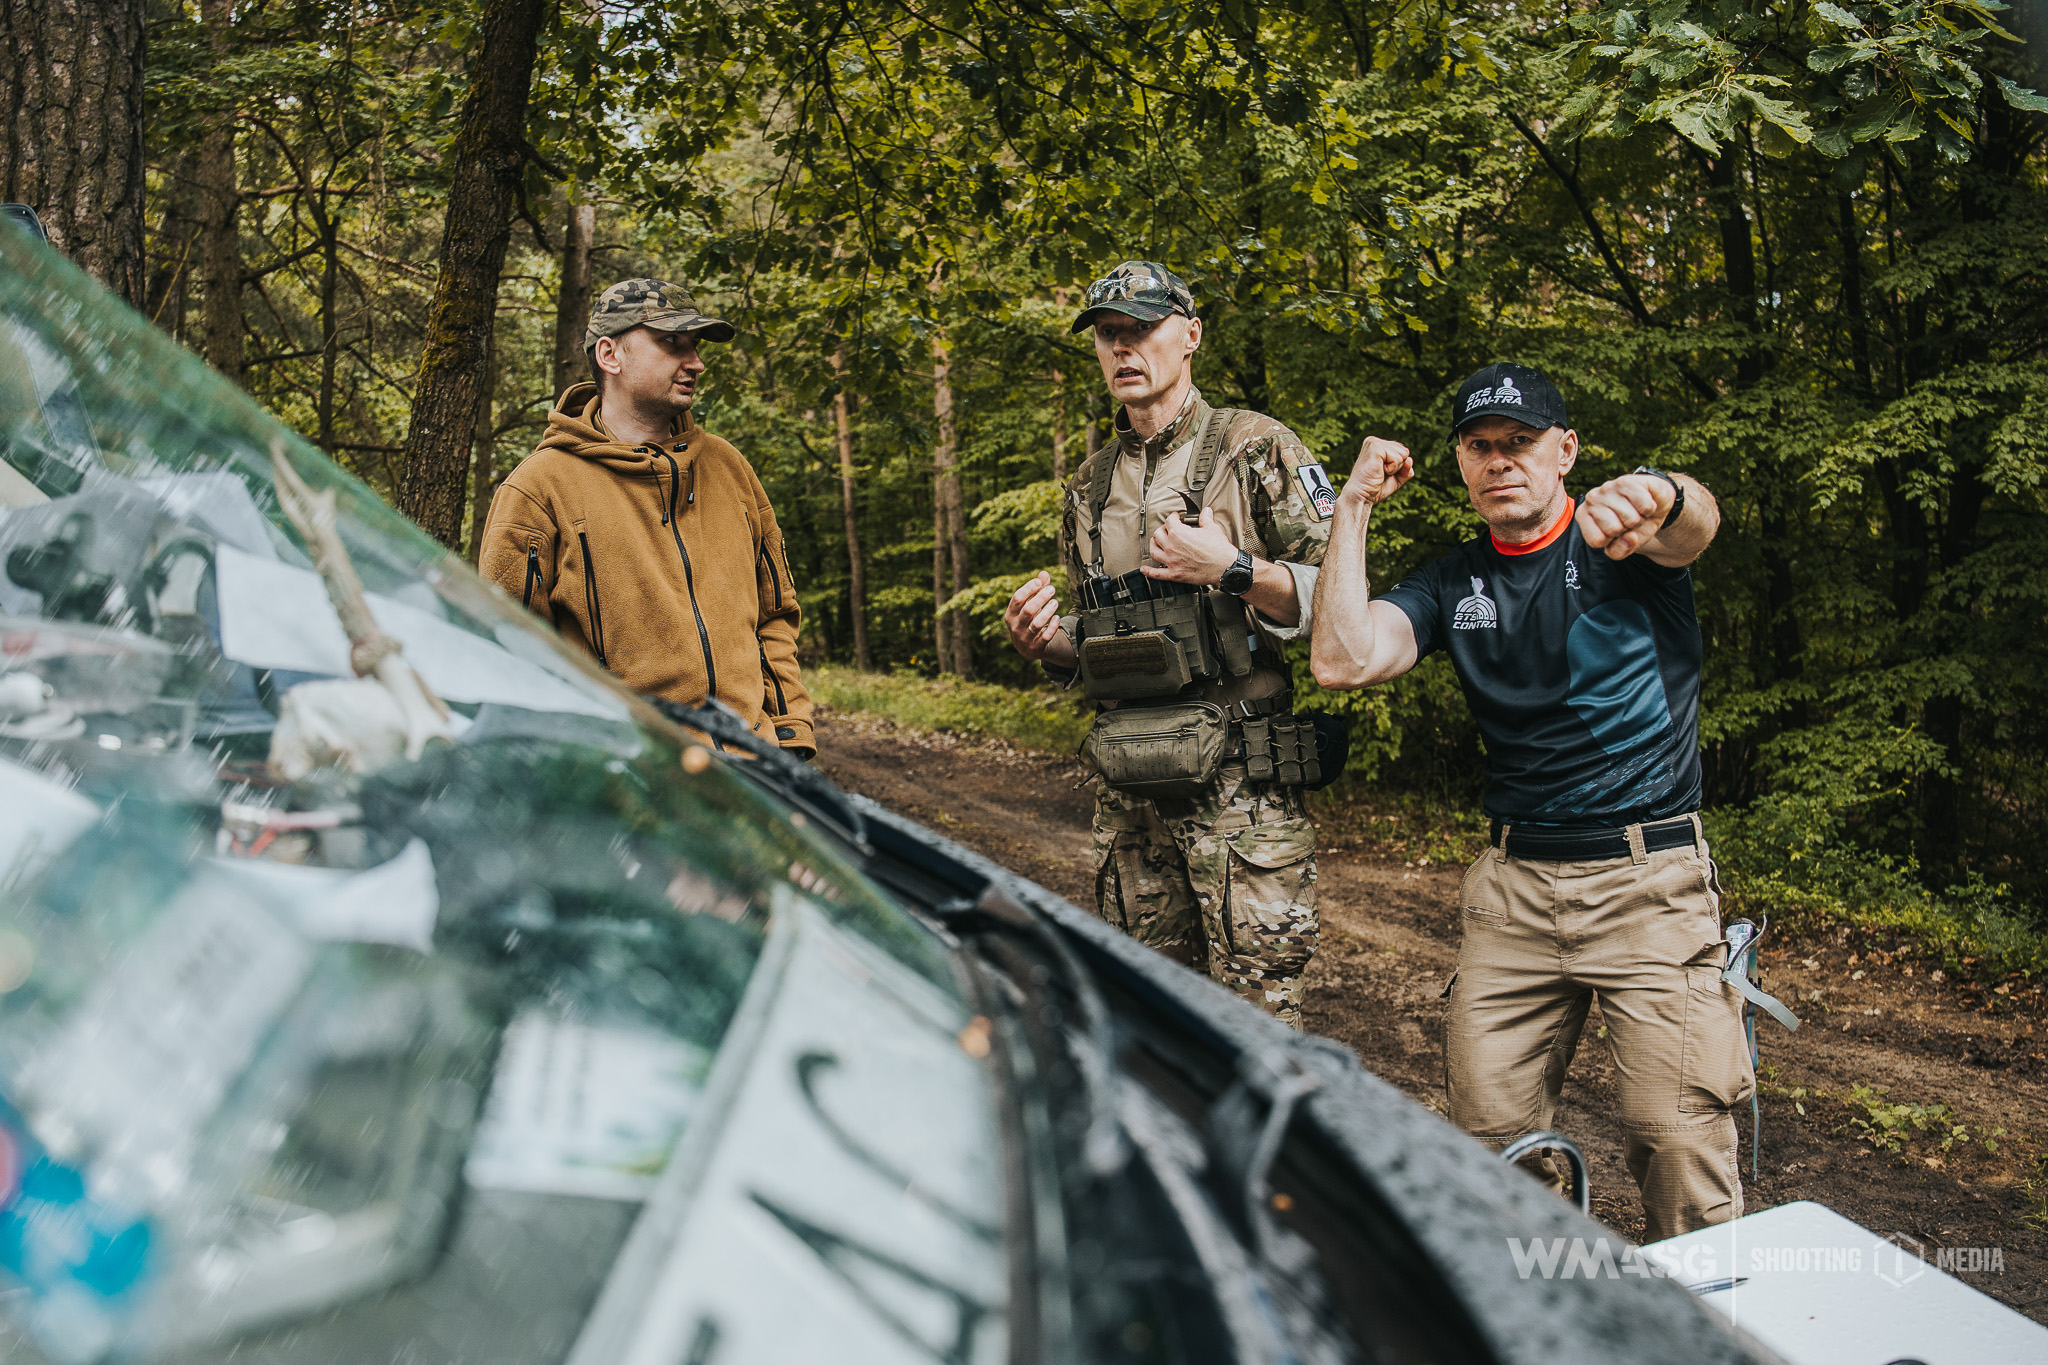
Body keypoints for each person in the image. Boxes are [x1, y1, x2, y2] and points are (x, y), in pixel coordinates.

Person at [1309, 361, 1747, 1239]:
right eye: (1481, 447)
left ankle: (1705, 1331)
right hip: (1511, 893)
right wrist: (1349, 505)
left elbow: (1694, 525)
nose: (1500, 460)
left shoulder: (1620, 544)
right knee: (1491, 1148)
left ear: (1565, 451)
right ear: (1463, 462)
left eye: (1521, 443)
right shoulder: (1450, 581)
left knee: (1676, 1140)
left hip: (1647, 881)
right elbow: (1342, 658)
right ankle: (1540, 1321)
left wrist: (1659, 493)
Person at [1003, 261, 1333, 1027]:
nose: (1122, 347)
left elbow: (1339, 600)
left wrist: (1237, 569)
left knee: (1259, 1036)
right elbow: (1103, 643)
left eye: (1140, 328)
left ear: (1190, 335)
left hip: (1241, 791)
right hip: (1131, 800)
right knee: (1146, 1028)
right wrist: (1049, 644)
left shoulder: (1257, 448)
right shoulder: (1088, 486)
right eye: (1108, 334)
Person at [479, 278, 814, 757]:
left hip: (752, 774)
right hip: (629, 782)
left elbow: (774, 617)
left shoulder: (729, 468)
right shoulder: (538, 489)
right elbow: (508, 651)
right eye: (671, 343)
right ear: (610, 355)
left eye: (695, 346)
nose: (695, 362)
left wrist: (790, 738)